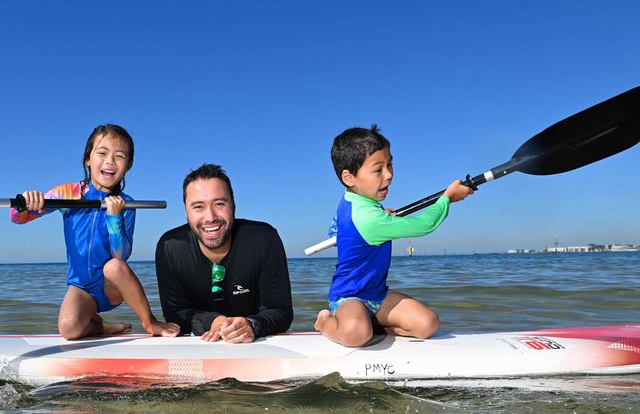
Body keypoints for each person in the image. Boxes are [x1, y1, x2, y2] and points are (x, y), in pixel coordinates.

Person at [11, 124, 179, 340]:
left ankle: (150, 321)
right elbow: (19, 219)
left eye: (119, 156)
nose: (110, 160)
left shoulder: (126, 204)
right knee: (69, 329)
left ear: (128, 165)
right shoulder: (68, 194)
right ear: (87, 159)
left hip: (111, 286)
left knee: (114, 266)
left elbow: (121, 255)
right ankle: (101, 326)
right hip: (81, 287)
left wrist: (114, 217)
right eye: (102, 153)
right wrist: (24, 204)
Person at [316, 125, 474, 347]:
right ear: (349, 177)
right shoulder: (369, 217)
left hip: (378, 295)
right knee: (355, 334)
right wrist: (448, 198)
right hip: (349, 297)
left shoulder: (352, 201)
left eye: (389, 165)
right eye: (378, 170)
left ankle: (372, 324)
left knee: (428, 324)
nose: (389, 175)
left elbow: (333, 231)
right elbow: (423, 225)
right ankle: (325, 323)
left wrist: (382, 216)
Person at [155, 164, 293, 343]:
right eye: (198, 207)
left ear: (233, 205)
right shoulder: (170, 247)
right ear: (186, 212)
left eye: (219, 204)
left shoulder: (264, 239)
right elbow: (175, 315)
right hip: (201, 344)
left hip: (254, 343)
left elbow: (281, 312)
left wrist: (252, 324)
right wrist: (211, 321)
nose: (211, 217)